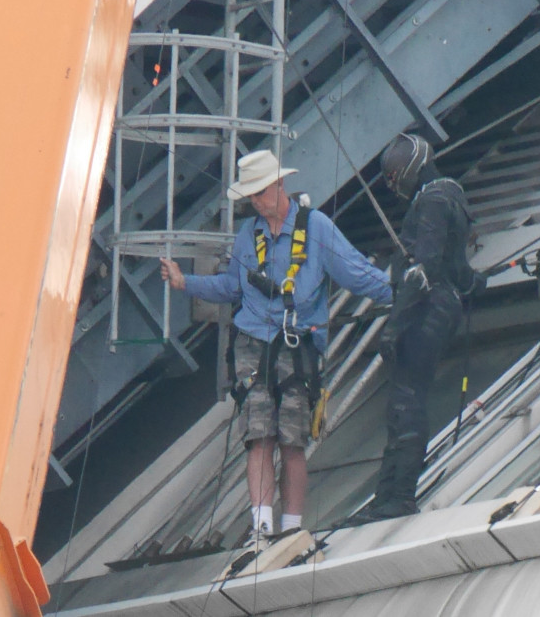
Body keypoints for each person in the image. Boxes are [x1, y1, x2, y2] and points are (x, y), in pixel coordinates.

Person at [160, 149, 392, 545]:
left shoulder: (316, 228)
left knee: (293, 438)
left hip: (296, 344)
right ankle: (262, 528)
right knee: (259, 434)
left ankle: (291, 529)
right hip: (252, 342)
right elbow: (232, 287)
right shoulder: (248, 235)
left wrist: (402, 291)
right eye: (249, 195)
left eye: (260, 191)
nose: (255, 201)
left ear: (280, 184)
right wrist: (187, 284)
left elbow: (355, 273)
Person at [343, 133, 484, 526]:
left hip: (426, 309)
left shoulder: (433, 201)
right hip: (442, 305)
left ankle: (399, 496)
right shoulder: (450, 198)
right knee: (404, 400)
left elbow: (422, 273)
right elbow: (456, 269)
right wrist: (474, 284)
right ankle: (386, 496)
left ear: (409, 169)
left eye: (393, 177)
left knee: (405, 402)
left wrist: (394, 325)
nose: (392, 185)